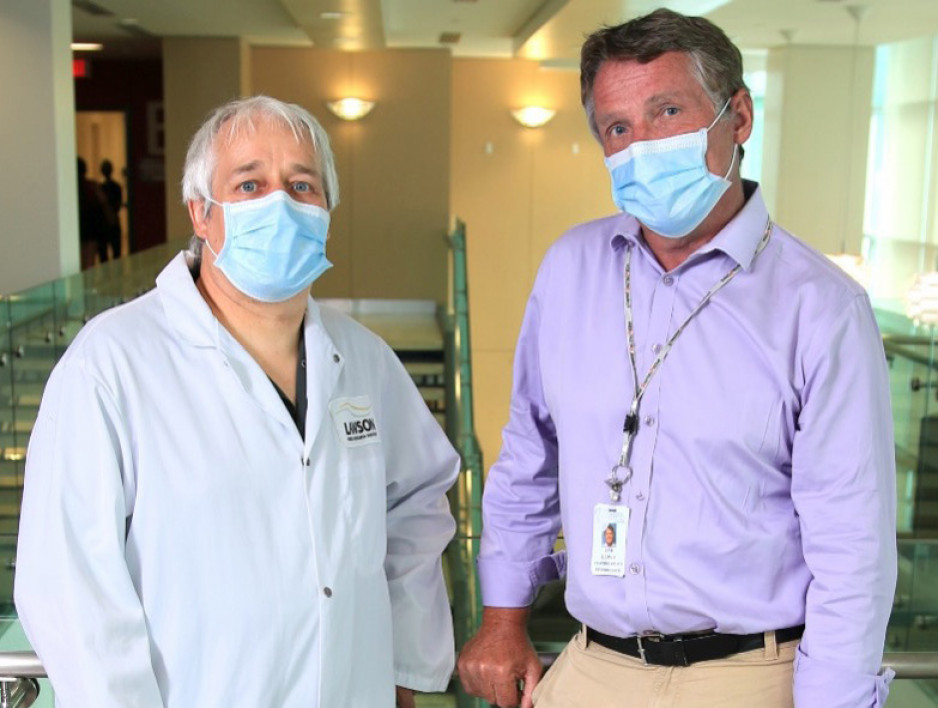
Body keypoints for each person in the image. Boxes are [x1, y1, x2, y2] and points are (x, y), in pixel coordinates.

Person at [457, 9, 896, 708]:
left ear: (739, 117)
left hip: (750, 673)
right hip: (593, 661)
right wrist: (504, 616)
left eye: (667, 111)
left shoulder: (822, 307)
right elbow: (527, 455)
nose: (641, 146)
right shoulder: (571, 268)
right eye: (618, 129)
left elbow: (852, 547)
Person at [16, 95, 459, 707]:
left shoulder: (365, 361)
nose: (279, 202)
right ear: (202, 213)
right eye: (249, 183)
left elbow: (415, 506)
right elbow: (69, 585)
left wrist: (405, 669)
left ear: (327, 210)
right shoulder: (111, 364)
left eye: (301, 185)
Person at [76, 156, 108, 269]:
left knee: (80, 261)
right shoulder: (92, 186)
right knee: (89, 261)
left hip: (81, 227)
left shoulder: (73, 187)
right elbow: (103, 203)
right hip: (91, 227)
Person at [100, 158, 123, 260]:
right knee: (111, 253)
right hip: (108, 223)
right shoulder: (113, 187)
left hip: (108, 223)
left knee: (112, 253)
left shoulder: (102, 188)